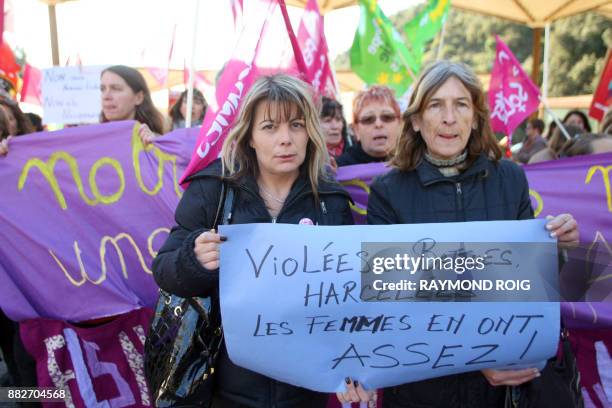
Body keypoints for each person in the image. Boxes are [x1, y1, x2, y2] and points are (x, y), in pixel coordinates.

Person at [366, 61, 579, 408]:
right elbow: (387, 299)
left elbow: (532, 284)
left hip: (504, 390)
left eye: (461, 104)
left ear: (477, 117)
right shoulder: (387, 191)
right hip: (421, 391)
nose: (449, 117)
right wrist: (473, 358)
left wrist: (559, 248)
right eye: (436, 105)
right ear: (417, 120)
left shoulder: (510, 179)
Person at [152, 74, 356, 407]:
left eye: (296, 125)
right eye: (269, 127)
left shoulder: (330, 201)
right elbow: (164, 269)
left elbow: (349, 297)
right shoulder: (213, 190)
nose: (285, 139)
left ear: (310, 133)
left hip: (304, 391)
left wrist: (351, 363)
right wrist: (194, 259)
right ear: (249, 137)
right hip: (221, 388)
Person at [336, 86, 401, 166]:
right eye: (368, 119)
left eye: (387, 117)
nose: (378, 124)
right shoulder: (337, 170)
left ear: (400, 124)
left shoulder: (415, 164)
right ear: (356, 129)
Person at [100, 65, 166, 144]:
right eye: (103, 89)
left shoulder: (156, 142)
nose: (106, 96)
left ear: (138, 98)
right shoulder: (93, 139)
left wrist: (156, 145)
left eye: (116, 89)